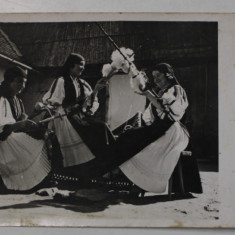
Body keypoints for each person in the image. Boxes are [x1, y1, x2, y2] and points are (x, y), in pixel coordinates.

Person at [77, 63, 201, 194]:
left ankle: (128, 178)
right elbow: (150, 117)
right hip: (159, 128)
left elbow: (168, 111)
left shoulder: (176, 89)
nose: (156, 79)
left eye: (159, 75)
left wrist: (147, 94)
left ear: (168, 75)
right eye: (154, 77)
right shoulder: (160, 92)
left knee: (135, 141)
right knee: (128, 135)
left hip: (172, 131)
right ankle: (114, 172)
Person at [41, 53, 111, 170]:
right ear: (71, 66)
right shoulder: (61, 81)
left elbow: (88, 103)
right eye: (80, 65)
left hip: (78, 118)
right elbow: (53, 102)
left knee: (102, 127)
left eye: (84, 66)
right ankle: (94, 166)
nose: (83, 68)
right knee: (97, 130)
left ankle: (107, 160)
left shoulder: (82, 84)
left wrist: (96, 90)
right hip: (64, 120)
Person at [0, 66, 51, 192]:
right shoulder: (2, 98)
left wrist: (35, 113)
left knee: (43, 135)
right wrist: (21, 124)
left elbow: (21, 120)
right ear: (9, 81)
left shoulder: (17, 100)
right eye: (19, 82)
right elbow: (4, 128)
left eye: (24, 83)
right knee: (34, 142)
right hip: (3, 140)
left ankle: (40, 179)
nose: (22, 86)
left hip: (11, 135)